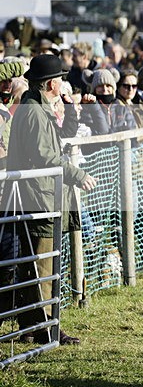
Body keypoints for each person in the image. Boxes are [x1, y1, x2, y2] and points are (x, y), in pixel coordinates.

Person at [3, 55, 96, 345]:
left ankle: (36, 325)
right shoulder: (33, 111)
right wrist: (77, 174)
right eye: (60, 79)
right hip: (39, 198)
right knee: (43, 267)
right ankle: (45, 328)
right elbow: (46, 157)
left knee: (40, 265)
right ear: (52, 83)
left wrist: (70, 112)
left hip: (41, 196)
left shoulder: (35, 107)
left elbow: (57, 139)